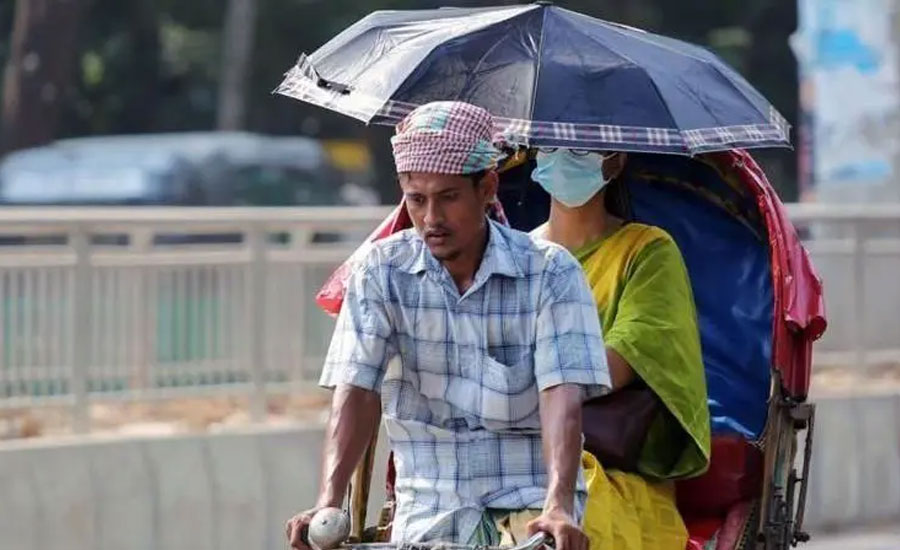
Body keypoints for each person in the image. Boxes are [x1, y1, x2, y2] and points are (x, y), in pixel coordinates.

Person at [285, 103, 611, 550]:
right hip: (427, 506)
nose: (432, 219)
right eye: (417, 200)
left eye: (448, 197)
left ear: (487, 187)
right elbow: (356, 388)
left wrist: (557, 504)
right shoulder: (380, 272)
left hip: (529, 501)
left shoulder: (550, 272)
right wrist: (328, 502)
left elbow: (561, 396)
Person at [529, 148, 712, 550]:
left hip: (606, 471)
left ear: (614, 160)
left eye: (580, 148)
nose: (562, 157)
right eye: (552, 144)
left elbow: (608, 370)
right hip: (505, 457)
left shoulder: (647, 252)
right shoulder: (514, 257)